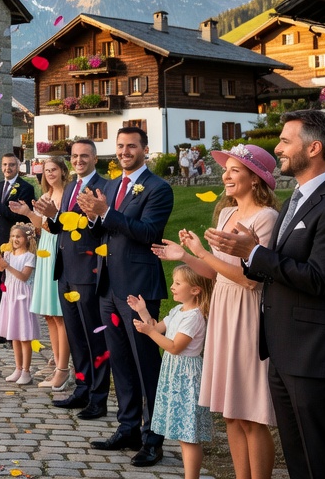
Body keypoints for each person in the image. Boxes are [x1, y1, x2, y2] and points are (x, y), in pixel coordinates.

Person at [208, 110, 325, 479]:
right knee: (299, 460)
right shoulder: (299, 197)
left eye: (284, 140)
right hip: (284, 349)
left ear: (313, 148)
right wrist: (249, 255)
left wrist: (253, 253)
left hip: (316, 353)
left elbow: (319, 279)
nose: (276, 147)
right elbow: (278, 265)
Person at [153, 143, 278, 479]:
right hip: (223, 308)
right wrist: (185, 256)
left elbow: (252, 280)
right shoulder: (225, 214)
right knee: (231, 414)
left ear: (255, 179)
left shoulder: (267, 218)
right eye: (226, 169)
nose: (225, 175)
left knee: (251, 413)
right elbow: (214, 272)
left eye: (234, 170)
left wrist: (200, 253)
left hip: (248, 312)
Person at [74, 125, 172, 467]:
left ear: (145, 149)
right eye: (119, 146)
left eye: (131, 146)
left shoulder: (159, 188)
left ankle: (153, 438)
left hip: (138, 290)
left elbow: (148, 233)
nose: (124, 151)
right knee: (121, 363)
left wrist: (105, 214)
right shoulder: (112, 185)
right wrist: (92, 218)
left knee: (146, 364)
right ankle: (128, 427)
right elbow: (103, 228)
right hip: (108, 287)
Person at [131, 265, 215, 479]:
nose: (172, 286)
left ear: (195, 290)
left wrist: (149, 332)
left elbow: (175, 347)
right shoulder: (178, 311)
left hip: (186, 377)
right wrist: (142, 311)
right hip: (174, 375)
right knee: (182, 435)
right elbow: (157, 328)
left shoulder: (194, 317)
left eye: (178, 283)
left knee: (189, 435)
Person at [46, 138, 110, 413]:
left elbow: (102, 230)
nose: (78, 160)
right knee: (75, 336)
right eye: (74, 156)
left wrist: (94, 215)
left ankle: (98, 397)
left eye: (84, 156)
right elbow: (64, 225)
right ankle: (82, 389)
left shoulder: (104, 188)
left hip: (87, 270)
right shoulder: (71, 186)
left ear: (95, 158)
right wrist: (52, 217)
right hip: (65, 270)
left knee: (93, 336)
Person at [13, 156, 71, 392]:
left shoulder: (67, 194)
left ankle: (64, 369)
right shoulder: (46, 196)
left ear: (63, 171)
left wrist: (41, 215)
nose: (50, 173)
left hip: (60, 250)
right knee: (49, 314)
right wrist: (28, 213)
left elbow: (62, 225)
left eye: (54, 169)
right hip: (45, 249)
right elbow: (41, 226)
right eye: (46, 170)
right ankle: (56, 362)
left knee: (60, 314)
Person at [0, 154, 36, 343]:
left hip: (15, 244)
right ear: (1, 167)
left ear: (18, 166)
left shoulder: (26, 188)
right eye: (5, 164)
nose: (8, 168)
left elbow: (21, 217)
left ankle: (14, 331)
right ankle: (2, 329)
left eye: (11, 164)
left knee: (13, 287)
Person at [0, 223, 40, 384]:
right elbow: (1, 270)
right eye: (13, 236)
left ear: (27, 239)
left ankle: (26, 370)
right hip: (10, 294)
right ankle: (18, 367)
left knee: (24, 335)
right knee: (14, 334)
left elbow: (23, 277)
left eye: (18, 236)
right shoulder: (8, 254)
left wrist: (8, 266)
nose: (15, 239)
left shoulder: (29, 256)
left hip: (22, 296)